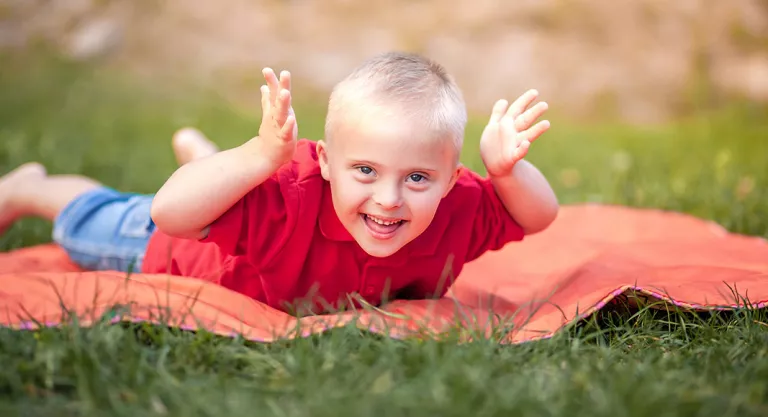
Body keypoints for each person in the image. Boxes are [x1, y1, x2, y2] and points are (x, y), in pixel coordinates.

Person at [0, 51, 558, 314]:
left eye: (417, 177)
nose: (389, 199)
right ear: (326, 160)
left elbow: (537, 216)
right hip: (168, 244)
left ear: (451, 175)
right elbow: (170, 214)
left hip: (236, 206)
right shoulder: (289, 192)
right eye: (365, 171)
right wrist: (263, 155)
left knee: (236, 191)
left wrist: (507, 174)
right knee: (95, 216)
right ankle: (29, 186)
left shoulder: (456, 205)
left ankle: (210, 160)